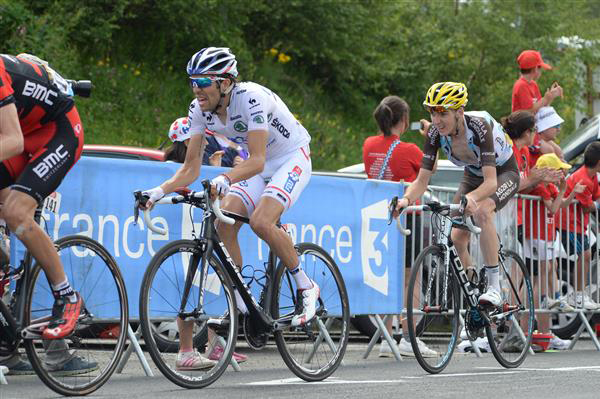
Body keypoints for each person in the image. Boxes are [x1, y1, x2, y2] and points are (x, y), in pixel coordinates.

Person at [139, 47, 315, 370]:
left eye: (203, 81)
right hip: (259, 168)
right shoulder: (198, 109)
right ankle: (239, 304)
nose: (196, 89)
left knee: (262, 221)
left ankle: (305, 283)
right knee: (225, 223)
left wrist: (225, 177)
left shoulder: (251, 98)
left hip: (290, 158)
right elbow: (190, 168)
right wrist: (157, 191)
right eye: (192, 81)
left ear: (225, 82)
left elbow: (259, 159)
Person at [0, 54, 96, 374]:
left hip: (56, 133)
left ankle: (66, 296)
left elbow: (11, 140)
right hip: (21, 134)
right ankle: (6, 331)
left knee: (16, 212)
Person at [394, 82, 520, 311]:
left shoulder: (479, 127)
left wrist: (472, 198)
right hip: (472, 175)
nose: (436, 119)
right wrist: (404, 200)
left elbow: (491, 182)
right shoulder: (434, 133)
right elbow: (422, 181)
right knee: (457, 238)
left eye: (443, 113)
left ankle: (494, 286)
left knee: (482, 211)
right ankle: (475, 296)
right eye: (433, 112)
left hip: (503, 173)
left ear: (459, 112)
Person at [362, 96, 436, 358]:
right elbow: (430, 170)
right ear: (404, 120)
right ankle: (408, 337)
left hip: (378, 214)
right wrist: (430, 139)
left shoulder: (369, 144)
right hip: (407, 215)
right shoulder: (410, 150)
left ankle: (385, 336)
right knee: (409, 278)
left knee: (385, 277)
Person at [523, 154, 581, 350]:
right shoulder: (541, 186)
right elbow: (553, 209)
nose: (563, 173)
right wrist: (564, 190)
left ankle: (548, 315)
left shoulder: (549, 186)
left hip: (546, 235)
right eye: (559, 170)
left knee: (550, 268)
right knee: (538, 275)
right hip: (537, 234)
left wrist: (569, 193)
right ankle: (531, 325)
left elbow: (561, 205)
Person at [558, 142, 600, 310]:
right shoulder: (582, 178)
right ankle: (578, 295)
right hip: (568, 224)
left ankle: (580, 295)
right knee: (586, 254)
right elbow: (588, 206)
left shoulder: (593, 177)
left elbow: (596, 198)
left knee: (586, 254)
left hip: (578, 224)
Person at [164, 116, 244, 166]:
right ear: (187, 142)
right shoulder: (171, 168)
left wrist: (214, 168)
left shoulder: (198, 165)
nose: (207, 142)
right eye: (202, 139)